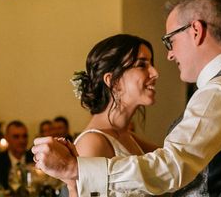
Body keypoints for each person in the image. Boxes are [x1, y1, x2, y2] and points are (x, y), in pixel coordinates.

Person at [33, 0, 221, 196]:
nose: (169, 55)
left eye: (170, 40)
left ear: (196, 31)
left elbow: (172, 165)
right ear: (112, 81)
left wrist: (75, 169)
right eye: (142, 64)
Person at [66, 35, 159, 195]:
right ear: (112, 81)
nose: (154, 73)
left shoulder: (128, 137)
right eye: (142, 65)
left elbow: (176, 163)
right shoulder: (93, 143)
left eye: (151, 64)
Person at [0, 120, 33, 191]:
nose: (22, 141)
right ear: (7, 138)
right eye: (16, 137)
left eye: (24, 136)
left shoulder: (35, 159)